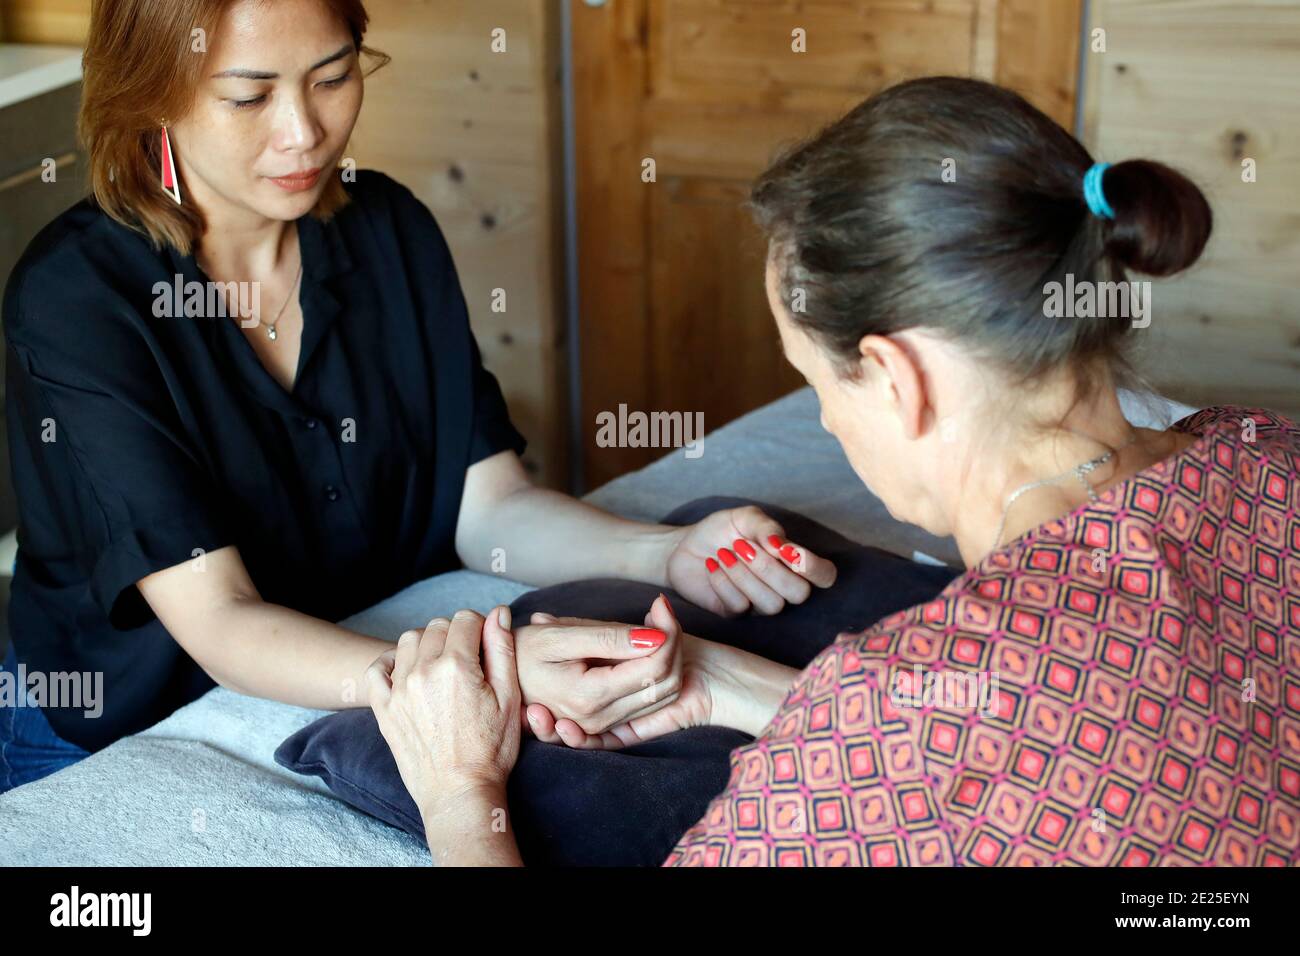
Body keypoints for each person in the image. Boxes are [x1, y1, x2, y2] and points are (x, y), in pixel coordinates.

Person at [373, 77, 1300, 866]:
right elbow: (1054, 730)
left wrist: (458, 793)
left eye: (815, 381)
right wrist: (731, 687)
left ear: (898, 379)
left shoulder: (879, 722)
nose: (821, 416)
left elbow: (939, 739)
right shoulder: (1265, 453)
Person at [0, 0, 837, 793]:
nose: (304, 133)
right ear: (150, 97)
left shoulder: (389, 230)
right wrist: (461, 677)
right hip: (114, 722)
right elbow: (220, 621)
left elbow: (490, 509)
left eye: (332, 77)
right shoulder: (78, 300)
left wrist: (666, 554)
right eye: (248, 95)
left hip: (347, 661)